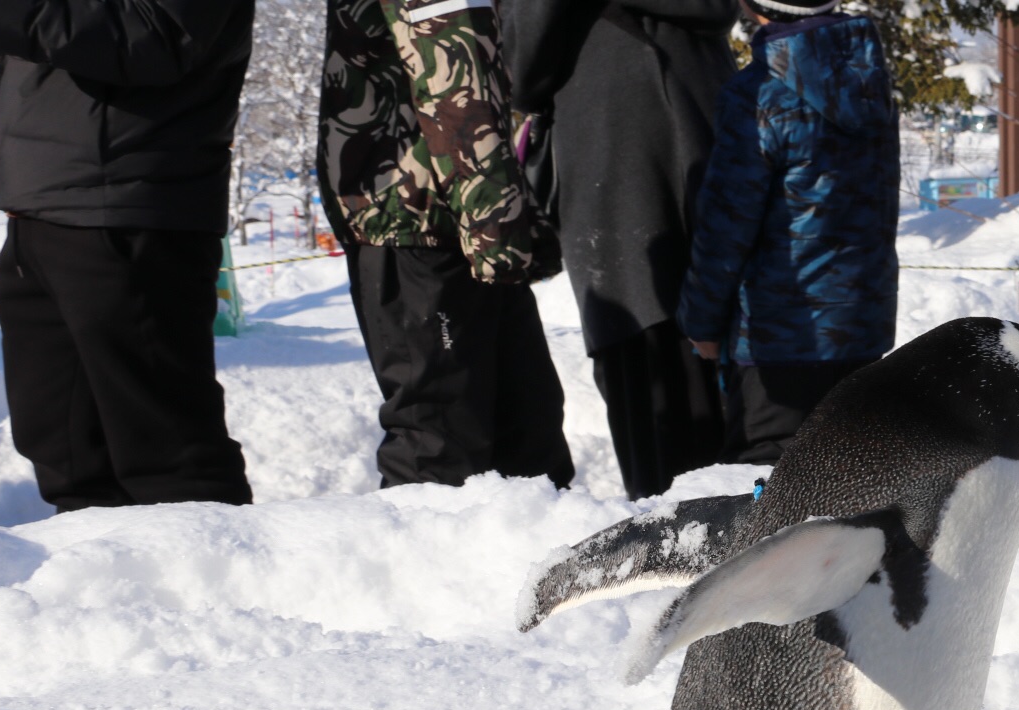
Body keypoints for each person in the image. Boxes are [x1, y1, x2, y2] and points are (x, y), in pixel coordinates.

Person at [0, 0, 256, 512]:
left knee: (169, 454)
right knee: (66, 454)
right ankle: (106, 585)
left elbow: (151, 38)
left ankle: (214, 584)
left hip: (127, 207)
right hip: (40, 205)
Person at [319, 0, 572, 490]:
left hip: (452, 211)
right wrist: (498, 222)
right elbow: (458, 76)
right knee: (439, 443)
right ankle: (432, 564)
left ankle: (543, 560)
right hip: (422, 218)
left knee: (526, 436)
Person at [503, 0, 739, 500]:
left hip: (616, 174)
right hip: (692, 147)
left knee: (668, 437)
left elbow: (522, 69)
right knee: (730, 413)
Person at [678, 0, 899, 463]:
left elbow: (725, 225)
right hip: (863, 321)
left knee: (765, 487)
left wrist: (702, 321)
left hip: (780, 334)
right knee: (849, 476)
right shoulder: (870, 81)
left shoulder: (758, 92)